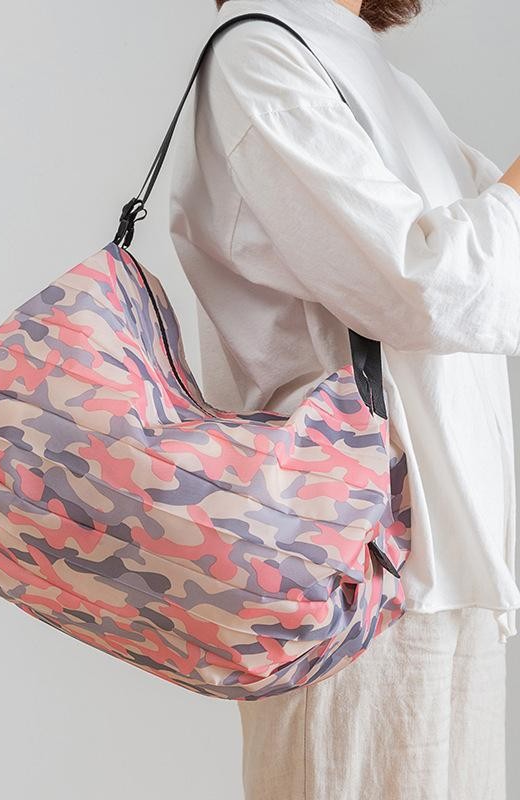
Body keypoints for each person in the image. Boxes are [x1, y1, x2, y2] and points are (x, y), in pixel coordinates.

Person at [167, 0, 520, 798]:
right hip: (352, 573)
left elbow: (487, 274)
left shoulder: (374, 73)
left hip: (449, 565)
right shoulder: (261, 52)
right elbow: (420, 288)